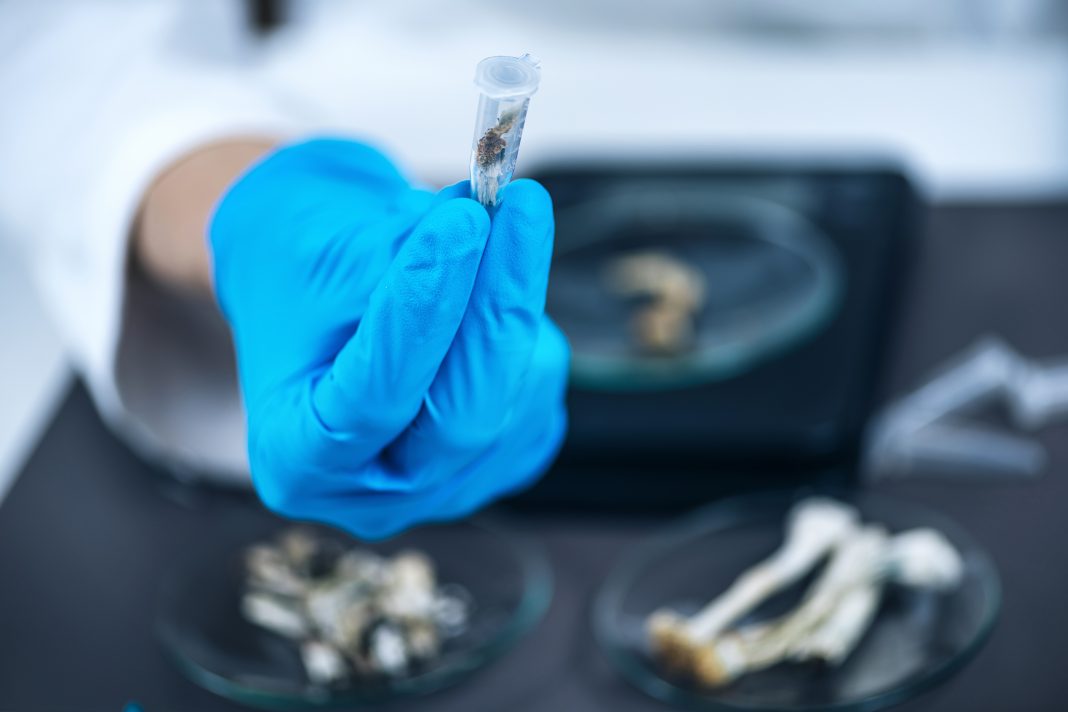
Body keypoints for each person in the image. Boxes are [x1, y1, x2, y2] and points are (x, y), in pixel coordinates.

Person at [0, 2, 570, 538]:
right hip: (339, 86)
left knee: (491, 338)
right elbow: (56, 39)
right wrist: (245, 204)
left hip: (582, 163)